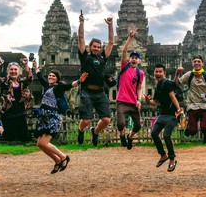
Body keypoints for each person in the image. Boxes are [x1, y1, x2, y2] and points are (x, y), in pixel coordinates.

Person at [33, 64, 88, 173]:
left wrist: (80, 81)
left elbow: (70, 85)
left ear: (57, 78)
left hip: (52, 117)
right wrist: (35, 67)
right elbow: (40, 77)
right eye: (49, 75)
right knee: (39, 143)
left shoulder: (58, 87)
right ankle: (57, 160)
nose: (51, 77)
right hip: (43, 117)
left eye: (53, 76)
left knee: (44, 143)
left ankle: (64, 157)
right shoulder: (47, 86)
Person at [76, 12, 115, 146]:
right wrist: (81, 22)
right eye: (94, 46)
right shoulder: (85, 56)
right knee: (86, 120)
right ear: (90, 47)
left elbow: (111, 42)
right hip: (86, 91)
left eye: (98, 47)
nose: (97, 49)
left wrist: (110, 25)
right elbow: (80, 38)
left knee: (106, 119)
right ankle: (81, 130)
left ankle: (95, 132)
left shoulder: (103, 57)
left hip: (100, 92)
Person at [144, 64, 183, 172]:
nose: (158, 73)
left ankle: (172, 159)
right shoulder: (158, 85)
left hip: (172, 115)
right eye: (156, 71)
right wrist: (148, 100)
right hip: (162, 115)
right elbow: (155, 102)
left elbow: (172, 96)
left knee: (166, 135)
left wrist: (179, 109)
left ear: (164, 73)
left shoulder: (167, 83)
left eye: (160, 72)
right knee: (154, 133)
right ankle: (163, 155)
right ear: (154, 73)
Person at [0, 56, 33, 142]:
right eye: (11, 69)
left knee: (25, 138)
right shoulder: (4, 82)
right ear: (8, 71)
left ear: (19, 71)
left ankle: (1, 126)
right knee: (9, 138)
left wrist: (26, 64)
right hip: (8, 112)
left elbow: (30, 77)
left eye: (15, 69)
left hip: (20, 111)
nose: (13, 71)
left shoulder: (22, 82)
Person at [174, 55, 206, 143]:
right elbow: (178, 84)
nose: (197, 63)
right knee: (193, 131)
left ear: (202, 64)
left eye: (199, 61)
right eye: (195, 61)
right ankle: (189, 130)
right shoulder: (189, 75)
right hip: (192, 105)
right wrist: (177, 73)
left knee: (205, 127)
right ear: (192, 64)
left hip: (205, 105)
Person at [115, 28, 144, 150]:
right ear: (129, 59)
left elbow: (139, 87)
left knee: (137, 126)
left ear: (138, 61)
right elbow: (124, 51)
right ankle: (122, 135)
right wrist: (130, 38)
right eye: (132, 57)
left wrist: (139, 100)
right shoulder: (124, 66)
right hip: (122, 100)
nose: (133, 59)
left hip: (133, 102)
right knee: (120, 123)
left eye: (136, 58)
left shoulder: (140, 73)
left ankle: (130, 137)